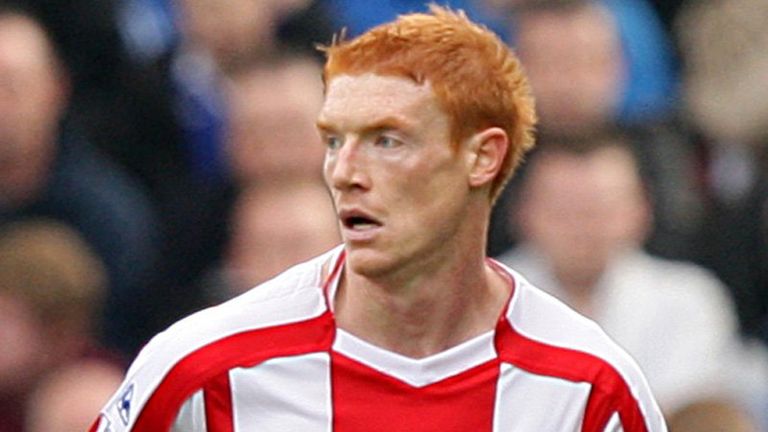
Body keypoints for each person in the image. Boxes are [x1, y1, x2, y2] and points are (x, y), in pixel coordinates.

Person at [92, 6, 666, 431]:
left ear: (482, 157)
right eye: (333, 141)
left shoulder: (590, 386)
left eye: (387, 141)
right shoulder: (201, 367)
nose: (344, 173)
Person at [496, 130, 767, 415]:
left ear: (642, 209)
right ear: (521, 211)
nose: (583, 227)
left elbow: (681, 416)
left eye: (600, 209)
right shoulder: (482, 300)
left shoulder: (691, 298)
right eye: (564, 211)